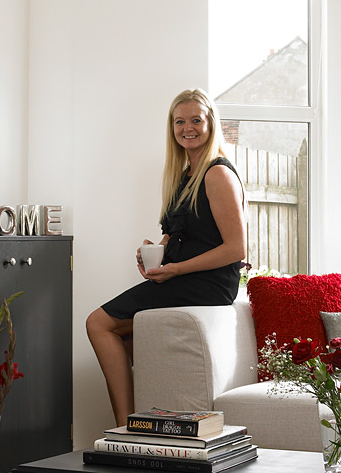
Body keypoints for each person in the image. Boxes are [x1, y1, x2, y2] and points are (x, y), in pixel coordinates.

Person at [86, 88, 246, 428]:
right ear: (171, 127)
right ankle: (146, 423)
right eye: (179, 121)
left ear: (210, 124)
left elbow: (236, 249)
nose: (188, 128)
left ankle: (125, 426)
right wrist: (154, 254)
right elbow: (178, 232)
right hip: (183, 277)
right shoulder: (183, 174)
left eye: (196, 120)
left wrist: (176, 269)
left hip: (208, 284)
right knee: (126, 333)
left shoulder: (216, 173)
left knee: (97, 323)